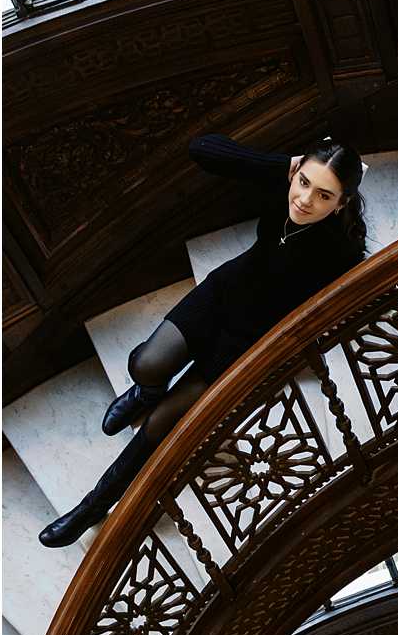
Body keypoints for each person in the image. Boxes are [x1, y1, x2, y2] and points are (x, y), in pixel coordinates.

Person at [39, 135, 368, 547]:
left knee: (161, 428)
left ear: (340, 203)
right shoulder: (283, 187)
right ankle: (145, 392)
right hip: (222, 294)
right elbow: (200, 149)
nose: (304, 200)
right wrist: (280, 166)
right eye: (303, 182)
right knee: (145, 365)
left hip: (246, 342)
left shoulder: (341, 251)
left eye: (323, 196)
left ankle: (91, 507)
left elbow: (341, 312)